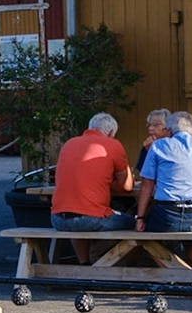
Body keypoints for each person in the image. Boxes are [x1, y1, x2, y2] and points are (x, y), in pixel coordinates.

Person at [135, 110, 192, 267]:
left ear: (169, 130)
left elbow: (147, 185)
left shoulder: (158, 146)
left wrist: (140, 218)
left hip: (167, 214)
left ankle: (173, 272)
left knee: (146, 235)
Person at [51, 112, 133, 262]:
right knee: (135, 222)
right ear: (110, 133)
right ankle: (118, 265)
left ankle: (85, 263)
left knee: (78, 214)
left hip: (58, 219)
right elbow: (127, 186)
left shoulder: (69, 143)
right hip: (90, 219)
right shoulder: (113, 145)